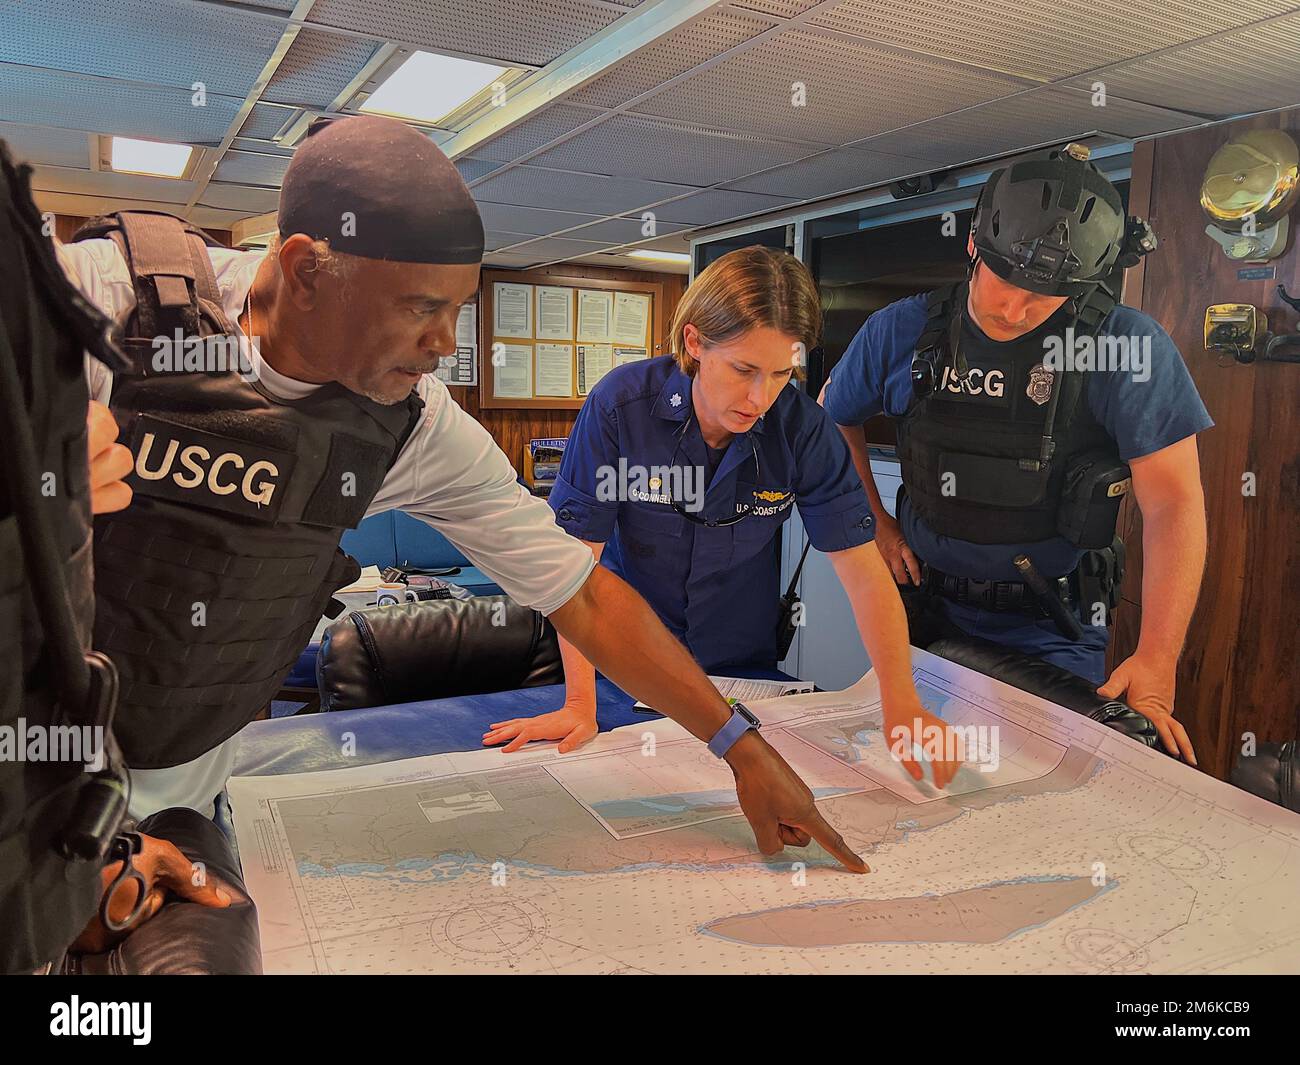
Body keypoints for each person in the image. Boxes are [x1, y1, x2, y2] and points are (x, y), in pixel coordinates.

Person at [51, 115, 867, 891]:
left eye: (458, 310)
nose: (446, 344)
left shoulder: (408, 423)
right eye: (421, 309)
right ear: (306, 271)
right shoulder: (97, 305)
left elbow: (583, 596)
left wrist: (739, 746)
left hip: (175, 817)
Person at [484, 247, 961, 790]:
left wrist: (901, 703)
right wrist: (578, 703)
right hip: (624, 664)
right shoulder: (621, 408)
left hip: (741, 669)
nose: (760, 397)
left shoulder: (802, 430)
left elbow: (866, 575)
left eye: (782, 373)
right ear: (695, 342)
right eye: (743, 370)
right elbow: (574, 575)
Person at [821, 144, 1211, 764]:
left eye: (1045, 298)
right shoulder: (901, 330)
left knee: (1040, 799)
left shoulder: (1127, 347)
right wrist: (875, 526)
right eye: (1005, 282)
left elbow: (1174, 504)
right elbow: (834, 421)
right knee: (916, 782)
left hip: (1053, 626)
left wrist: (1158, 660)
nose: (1014, 310)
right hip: (922, 612)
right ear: (973, 246)